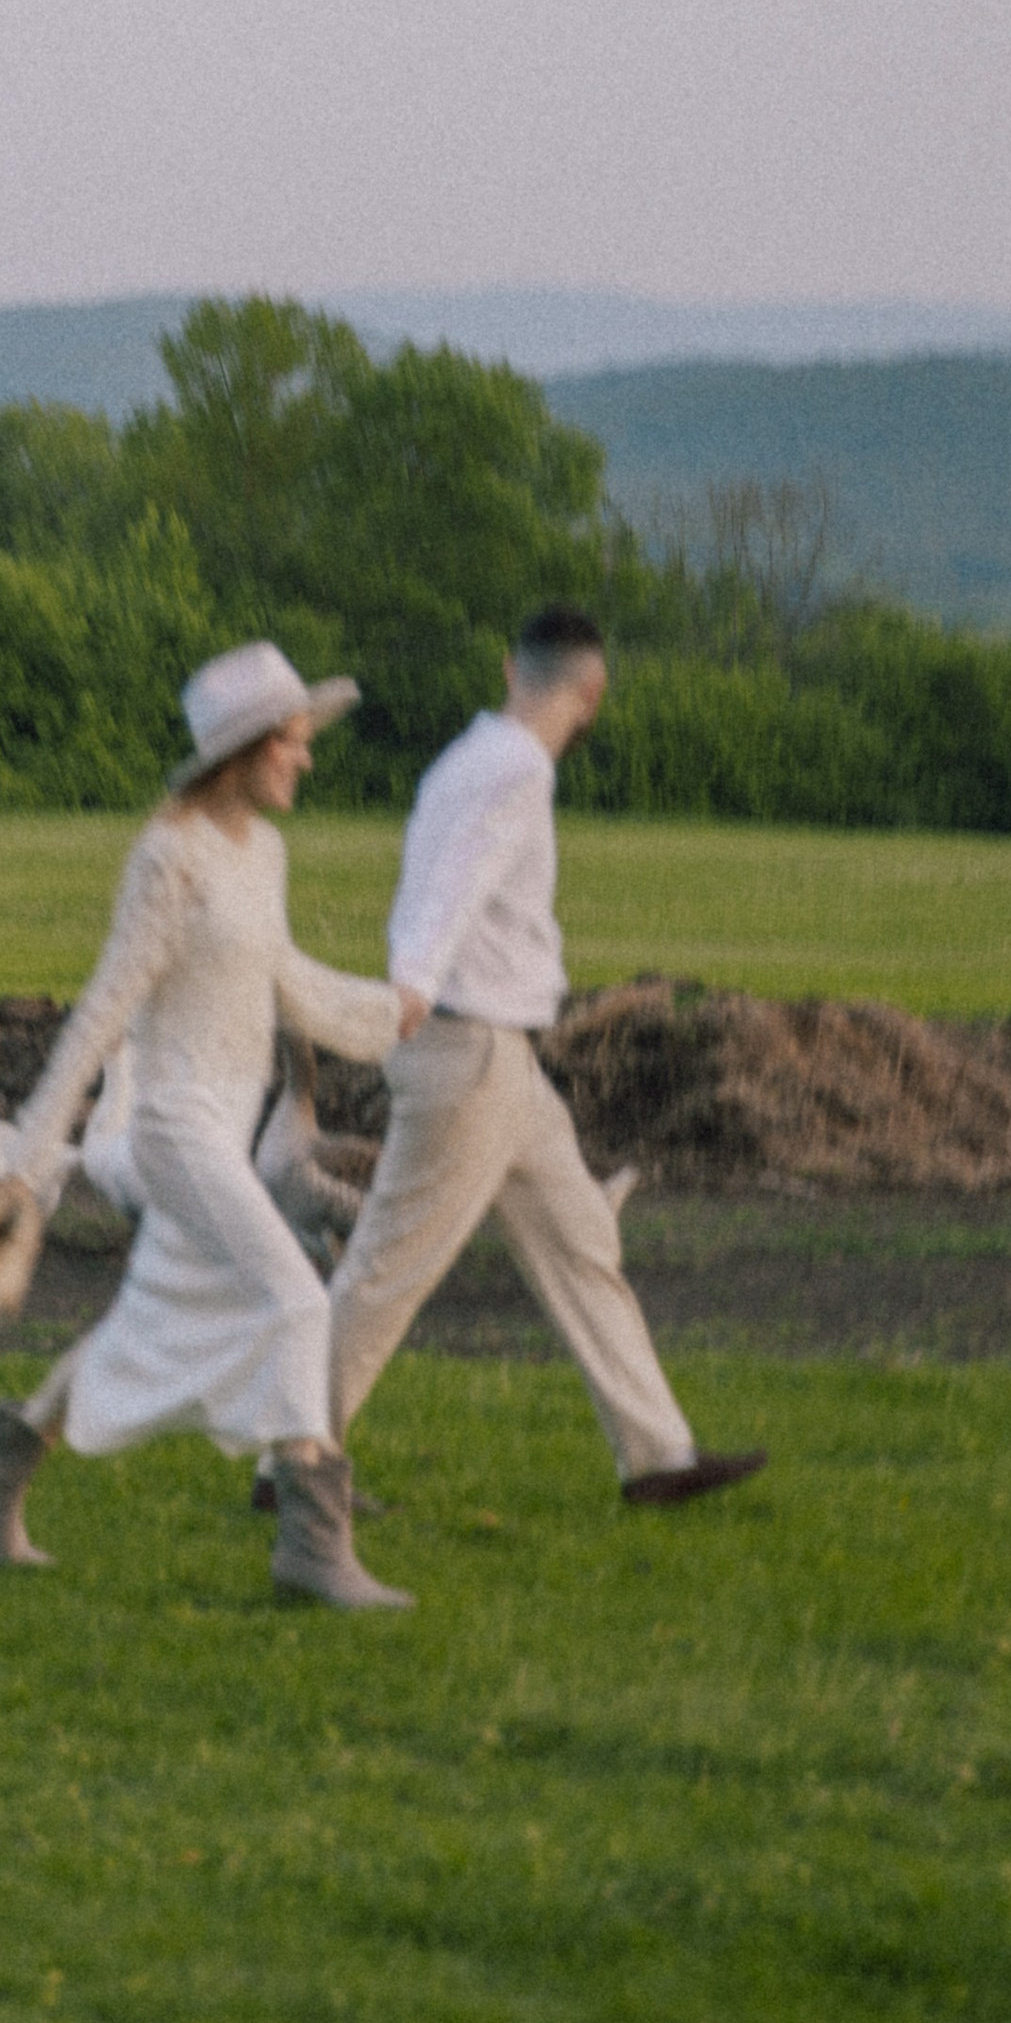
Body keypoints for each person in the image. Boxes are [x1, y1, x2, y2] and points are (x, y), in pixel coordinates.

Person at [0, 641, 430, 1610]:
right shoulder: (168, 857)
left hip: (229, 1127)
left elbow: (279, 977)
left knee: (144, 1329)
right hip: (173, 1128)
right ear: (241, 752)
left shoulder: (264, 852)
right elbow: (104, 1009)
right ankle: (310, 1547)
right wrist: (27, 1160)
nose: (307, 757)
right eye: (290, 741)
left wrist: (385, 1011)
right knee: (297, 1298)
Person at [325, 605, 765, 1510]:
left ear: (507, 669)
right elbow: (452, 885)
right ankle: (294, 1459)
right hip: (465, 1048)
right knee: (388, 1267)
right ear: (593, 693)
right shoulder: (516, 767)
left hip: (502, 1062)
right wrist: (408, 981)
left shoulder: (467, 754)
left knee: (578, 1242)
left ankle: (657, 1457)